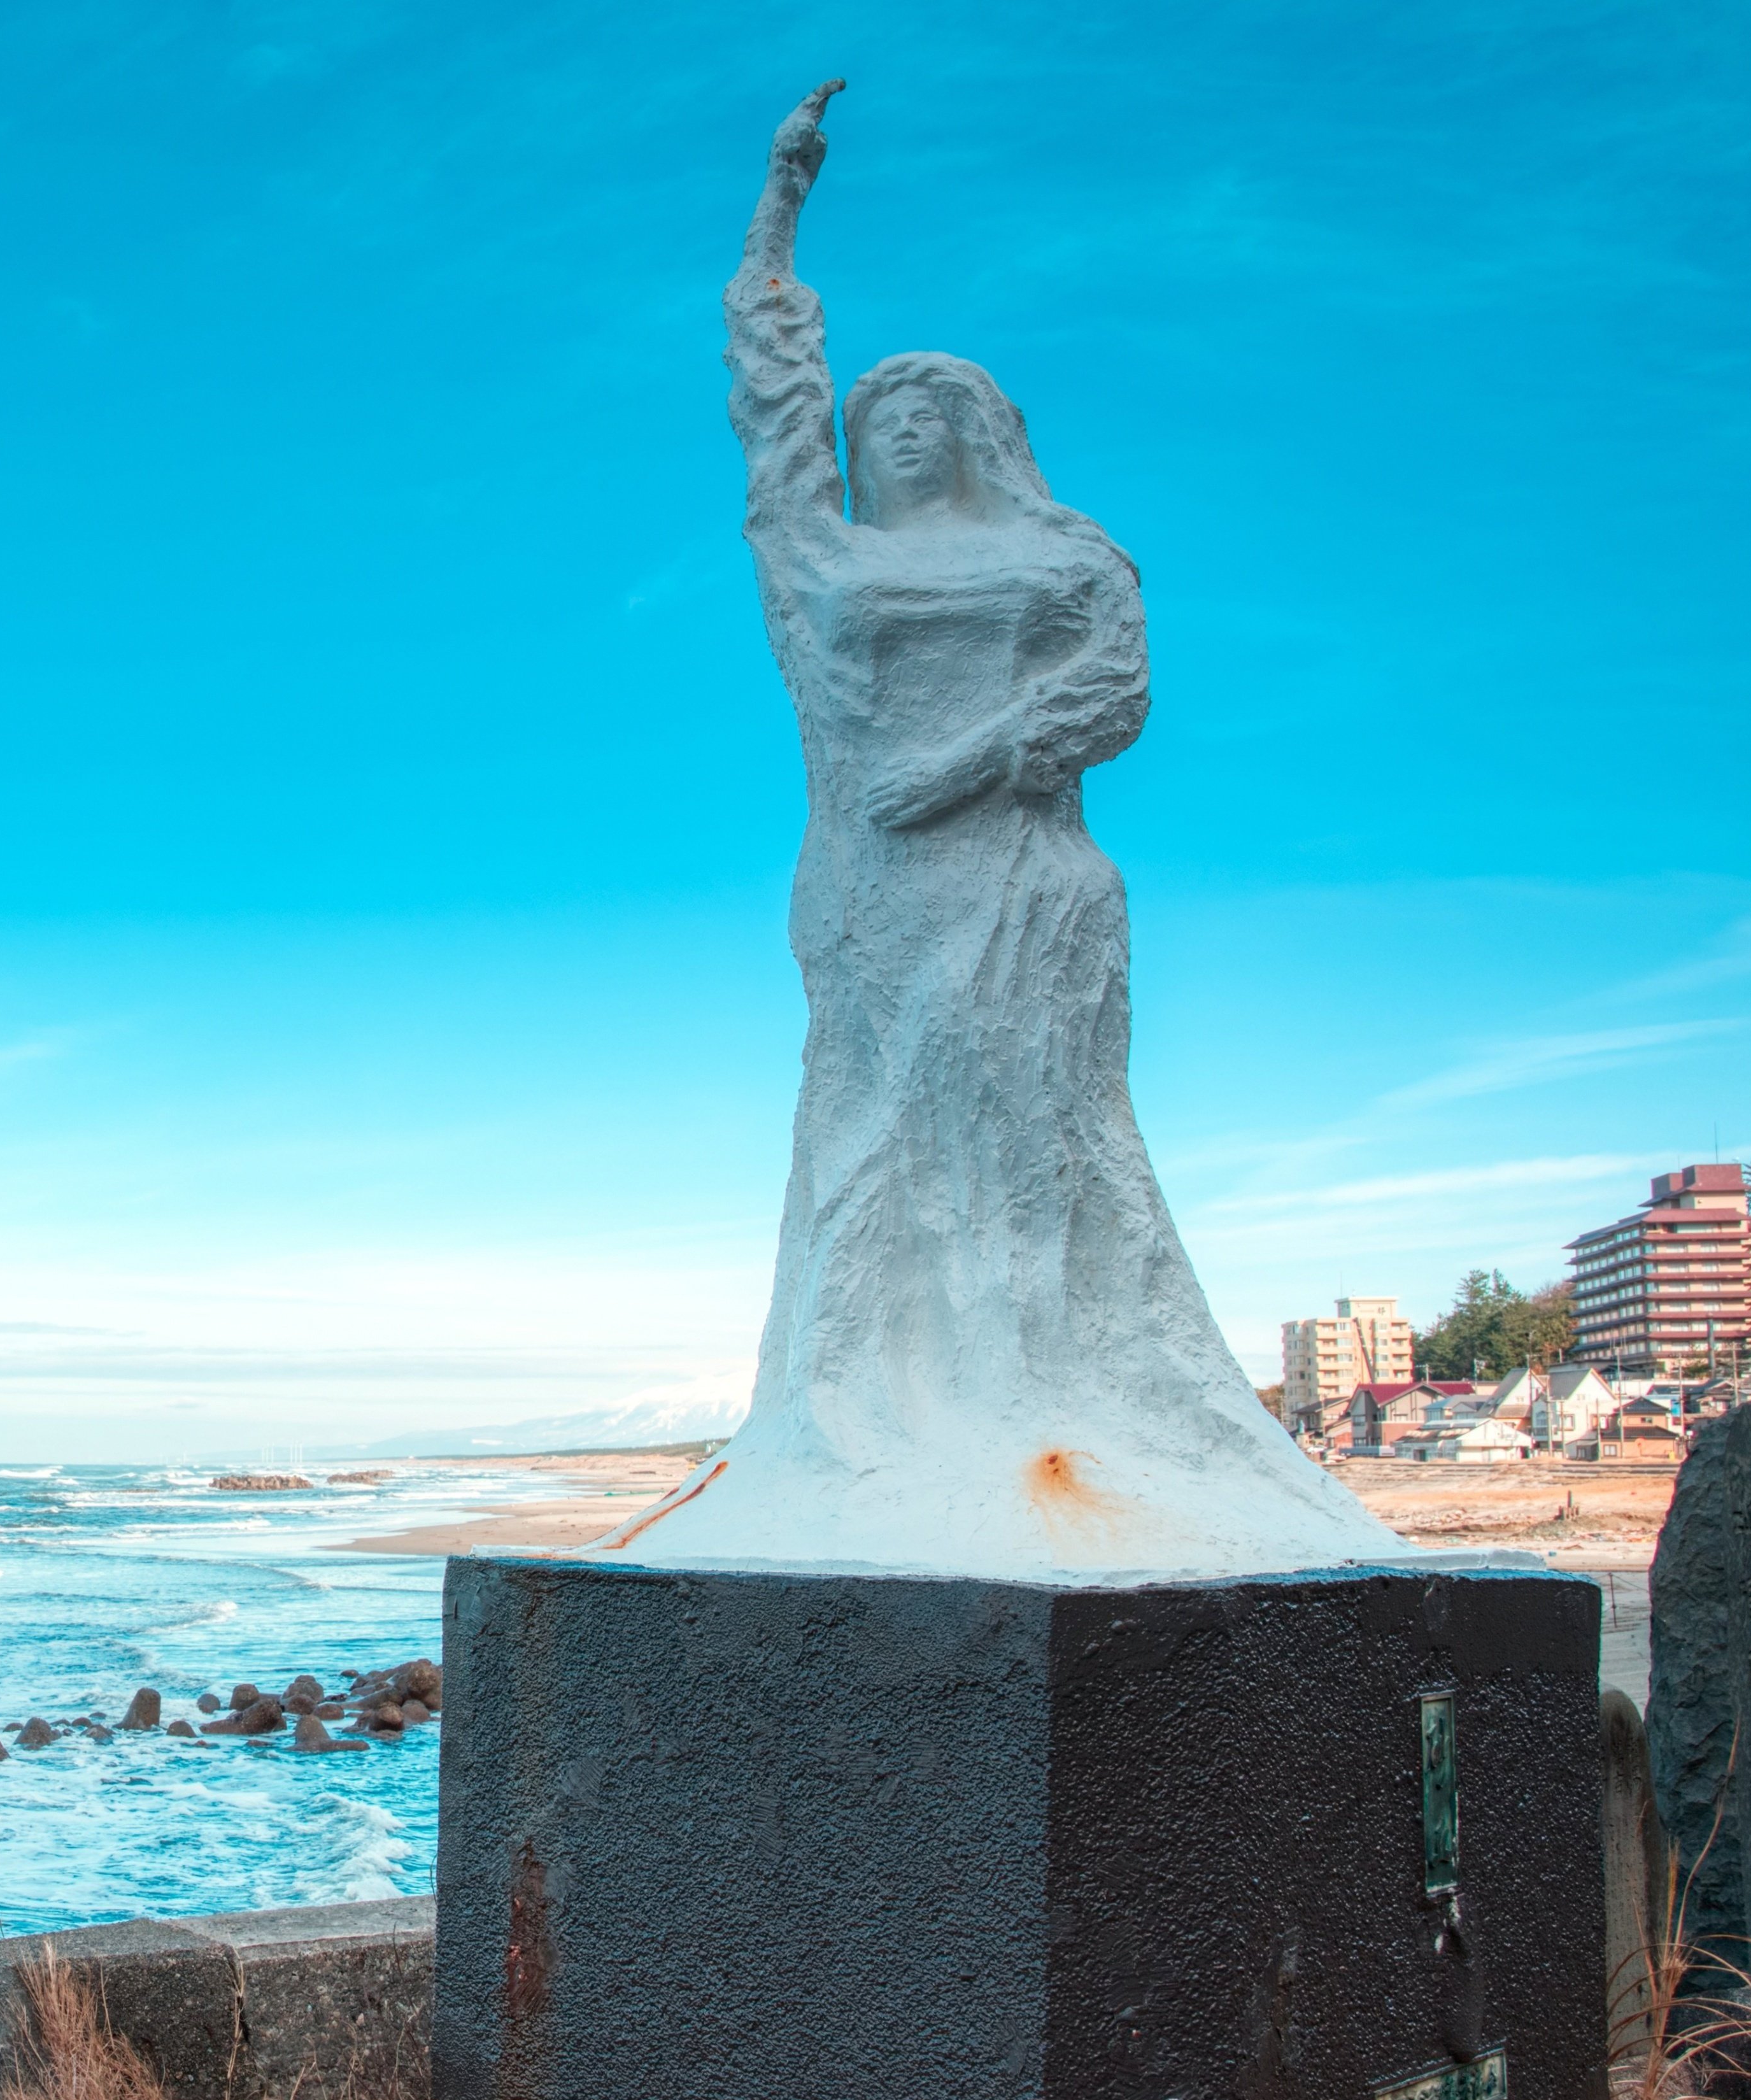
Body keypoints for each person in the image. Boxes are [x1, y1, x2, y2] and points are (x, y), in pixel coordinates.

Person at [596, 84, 1421, 1582]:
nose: (897, 433)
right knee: (876, 1144)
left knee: (1033, 1136)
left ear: (978, 430)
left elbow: (1115, 690)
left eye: (927, 414)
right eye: (877, 418)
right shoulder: (819, 560)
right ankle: (880, 1430)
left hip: (1026, 883)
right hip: (869, 893)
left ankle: (1046, 1410)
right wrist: (779, 207)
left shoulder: (1064, 551)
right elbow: (770, 407)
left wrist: (975, 762)